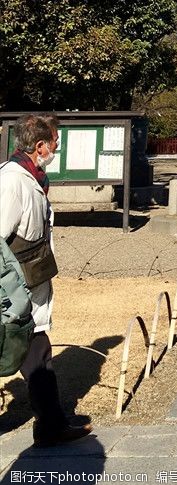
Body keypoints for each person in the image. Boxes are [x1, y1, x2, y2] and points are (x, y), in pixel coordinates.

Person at [0, 114, 93, 447]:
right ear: (40, 146)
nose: (57, 147)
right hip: (15, 291)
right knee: (32, 352)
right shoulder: (13, 180)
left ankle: (51, 425)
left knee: (38, 351)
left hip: (31, 286)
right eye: (55, 141)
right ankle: (51, 425)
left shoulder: (31, 177)